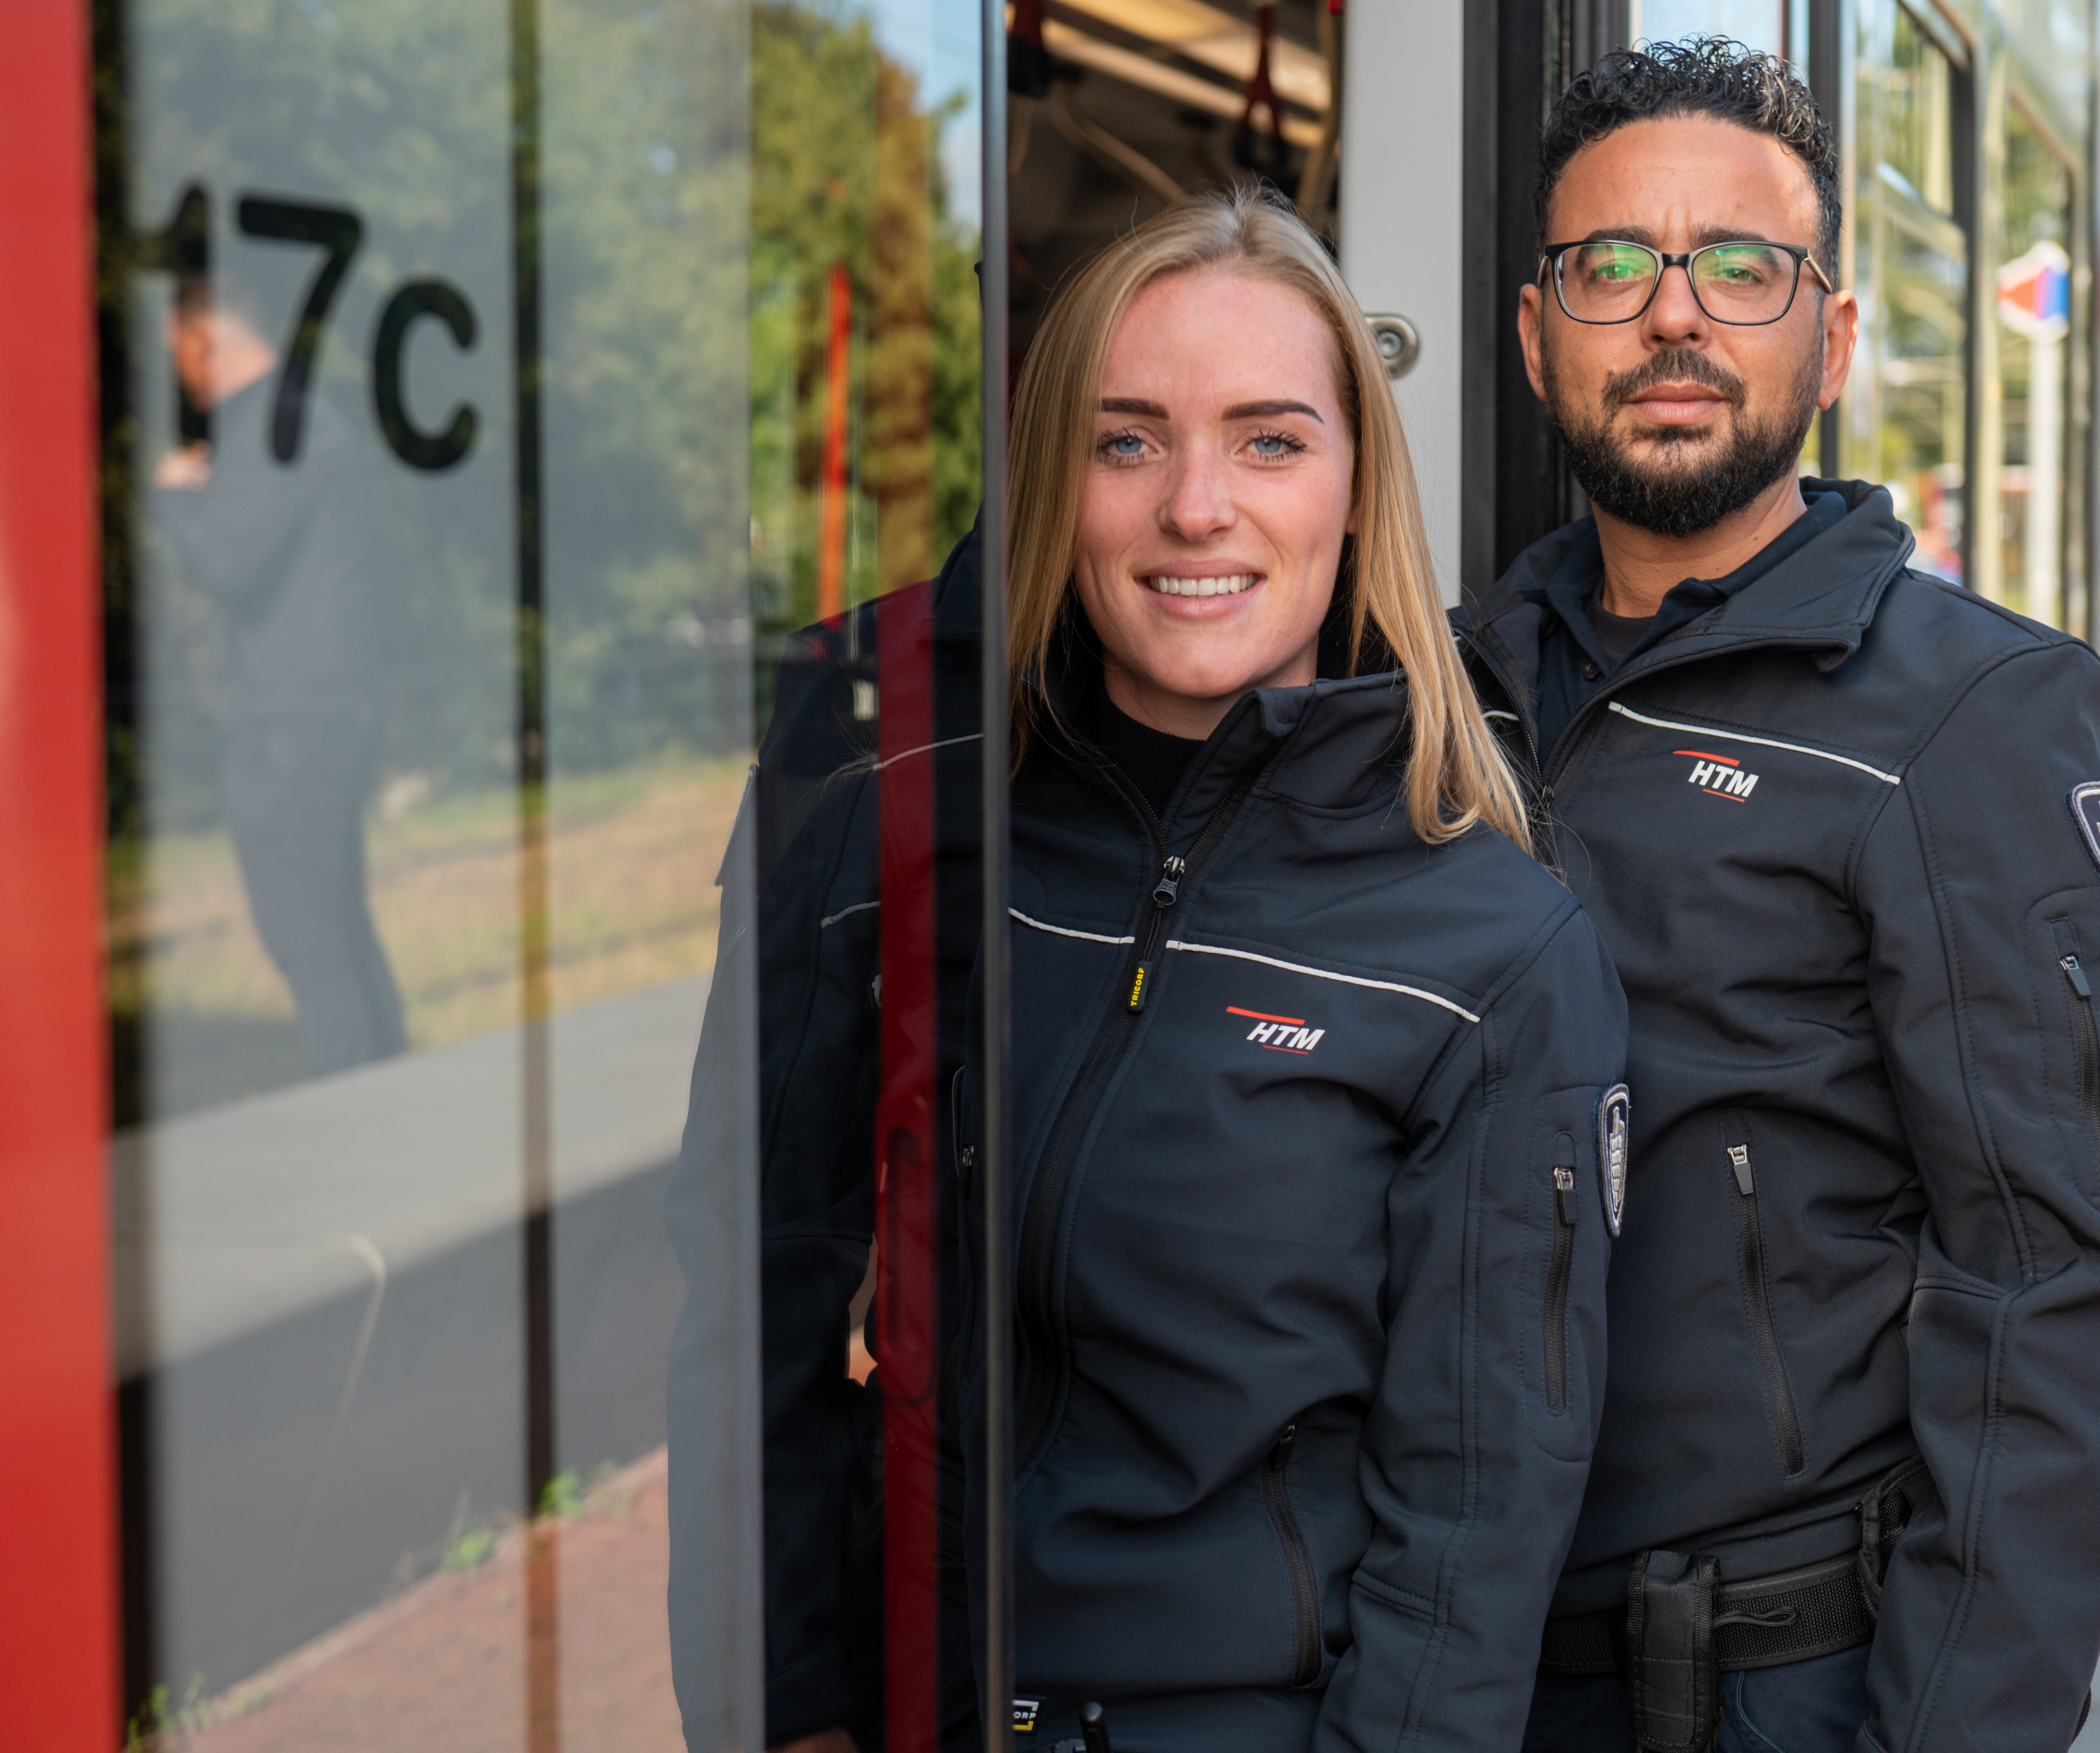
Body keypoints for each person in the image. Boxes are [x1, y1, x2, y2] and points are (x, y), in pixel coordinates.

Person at [667, 188, 1629, 1753]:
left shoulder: (1489, 950)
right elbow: (759, 1290)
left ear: (1354, 484)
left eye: (1269, 439)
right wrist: (783, 1705)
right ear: (1054, 480)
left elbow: (1471, 1529)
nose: (1198, 505)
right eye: (1127, 441)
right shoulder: (934, 848)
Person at [1450, 39, 2100, 1753]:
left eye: (1743, 268)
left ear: (1830, 340)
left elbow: (2052, 1294)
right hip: (1451, 1655)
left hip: (1768, 1687)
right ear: (1541, 337)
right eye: (1613, 266)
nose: (1673, 317)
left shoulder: (1975, 716)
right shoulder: (1446, 686)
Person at [153, 272, 408, 1076]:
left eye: (180, 358)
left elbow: (229, 558)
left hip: (291, 726)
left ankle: (357, 1111)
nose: (181, 379)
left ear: (206, 342)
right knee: (335, 926)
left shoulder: (275, 426)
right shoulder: (288, 424)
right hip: (310, 717)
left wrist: (172, 497)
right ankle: (391, 1098)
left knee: (308, 938)